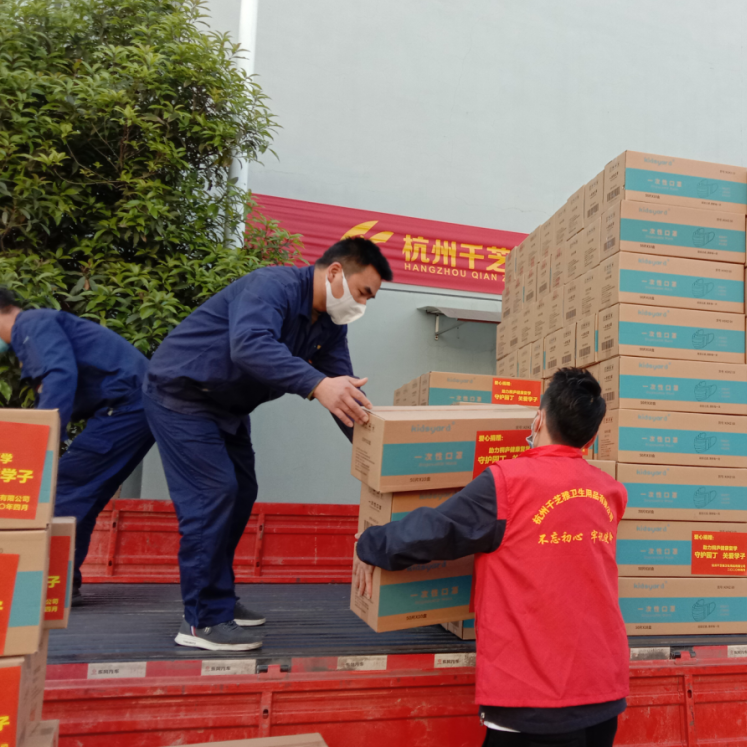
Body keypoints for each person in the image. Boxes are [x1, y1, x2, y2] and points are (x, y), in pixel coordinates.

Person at [355, 367, 629, 747]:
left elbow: (436, 531)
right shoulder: (610, 491)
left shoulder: (507, 482)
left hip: (535, 700)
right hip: (605, 690)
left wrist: (369, 543)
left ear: (539, 419)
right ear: (592, 438)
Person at [143, 236, 392, 652]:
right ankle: (203, 620)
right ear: (335, 272)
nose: (362, 304)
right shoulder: (271, 287)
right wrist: (317, 384)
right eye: (363, 292)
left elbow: (343, 393)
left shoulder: (330, 326)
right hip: (182, 395)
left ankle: (219, 597)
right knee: (213, 494)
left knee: (241, 492)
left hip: (227, 407)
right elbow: (250, 344)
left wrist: (382, 452)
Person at [0, 288, 156, 604]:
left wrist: (41, 442)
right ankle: (61, 584)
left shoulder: (30, 324)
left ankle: (45, 587)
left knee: (64, 489)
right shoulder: (38, 326)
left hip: (125, 409)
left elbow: (59, 375)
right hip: (133, 409)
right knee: (84, 494)